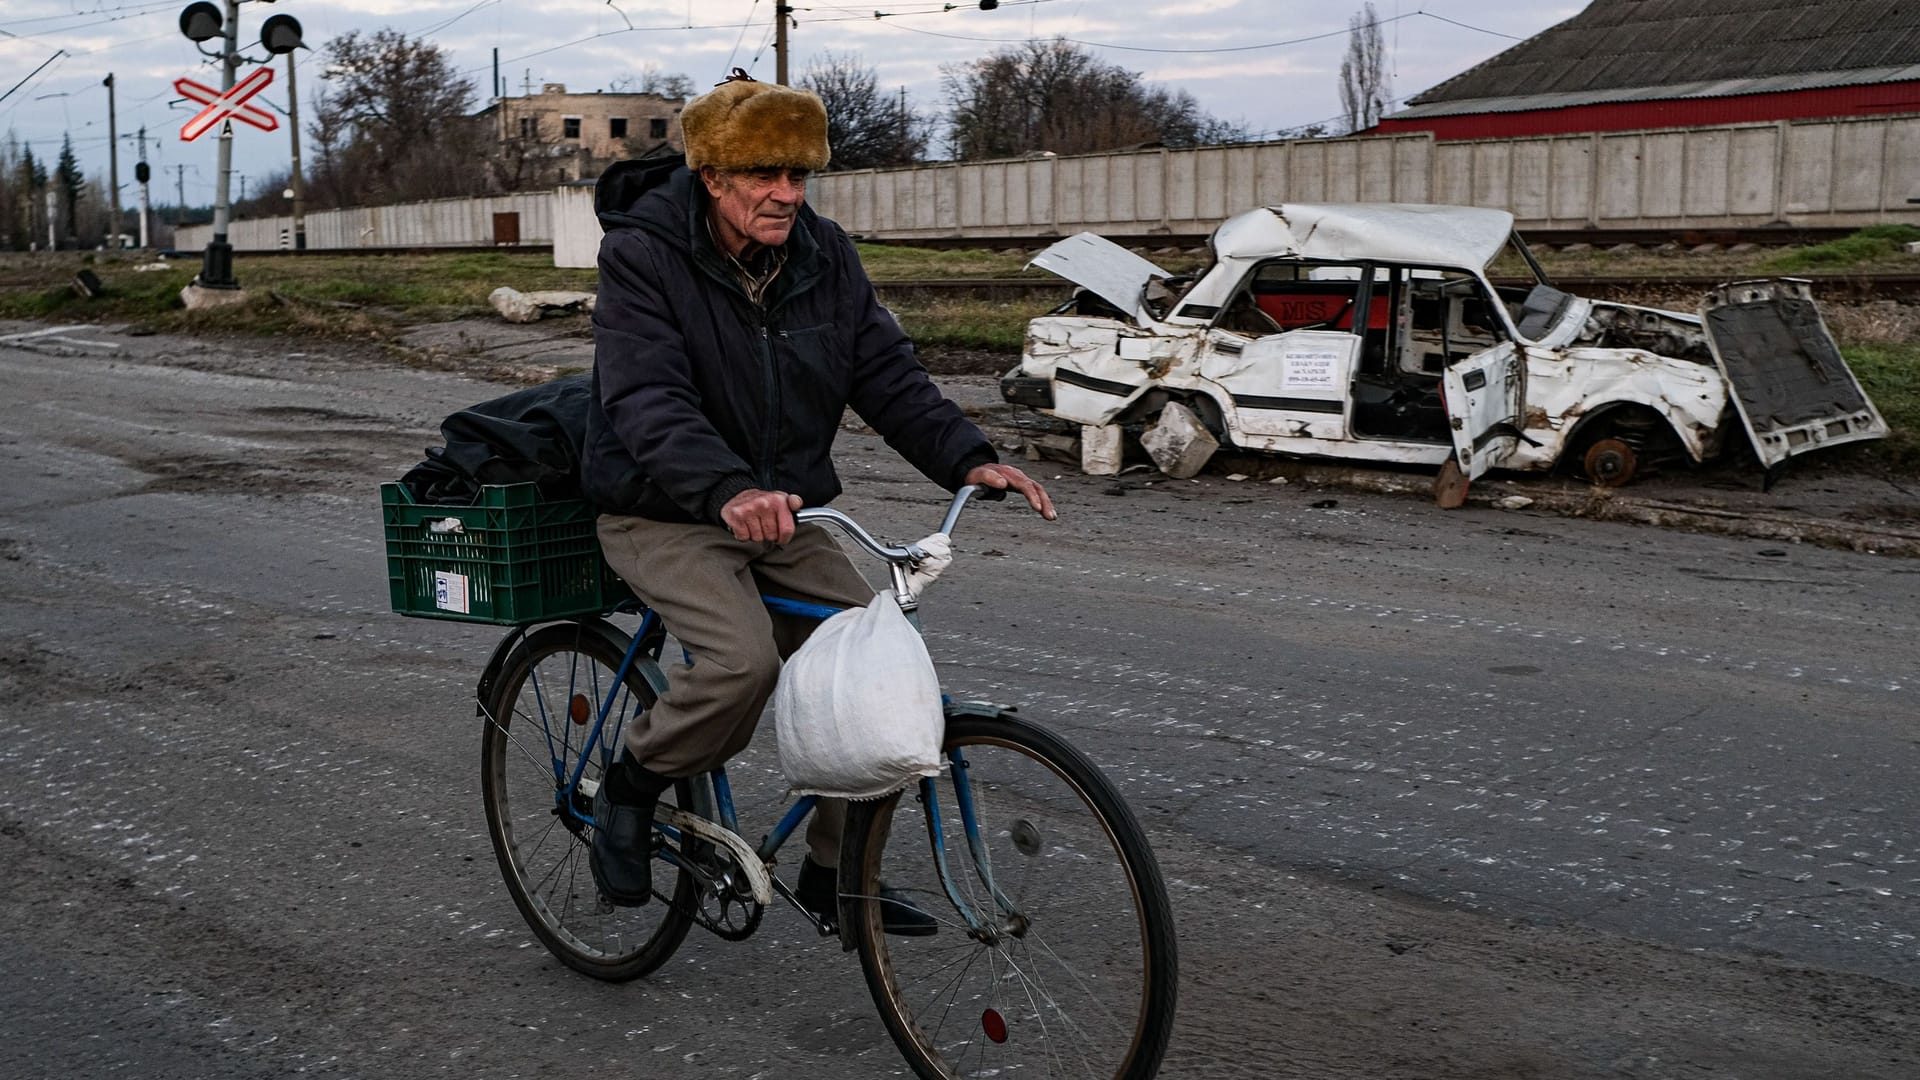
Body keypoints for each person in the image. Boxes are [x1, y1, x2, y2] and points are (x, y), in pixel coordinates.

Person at [580, 70, 1055, 933]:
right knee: (742, 666)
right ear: (713, 177)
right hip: (663, 508)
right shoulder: (643, 254)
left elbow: (884, 372)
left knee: (871, 674)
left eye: (798, 175)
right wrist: (725, 489)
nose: (784, 194)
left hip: (780, 511)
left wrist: (968, 458)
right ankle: (633, 784)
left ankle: (837, 874)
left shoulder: (822, 253)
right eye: (763, 174)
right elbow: (647, 398)